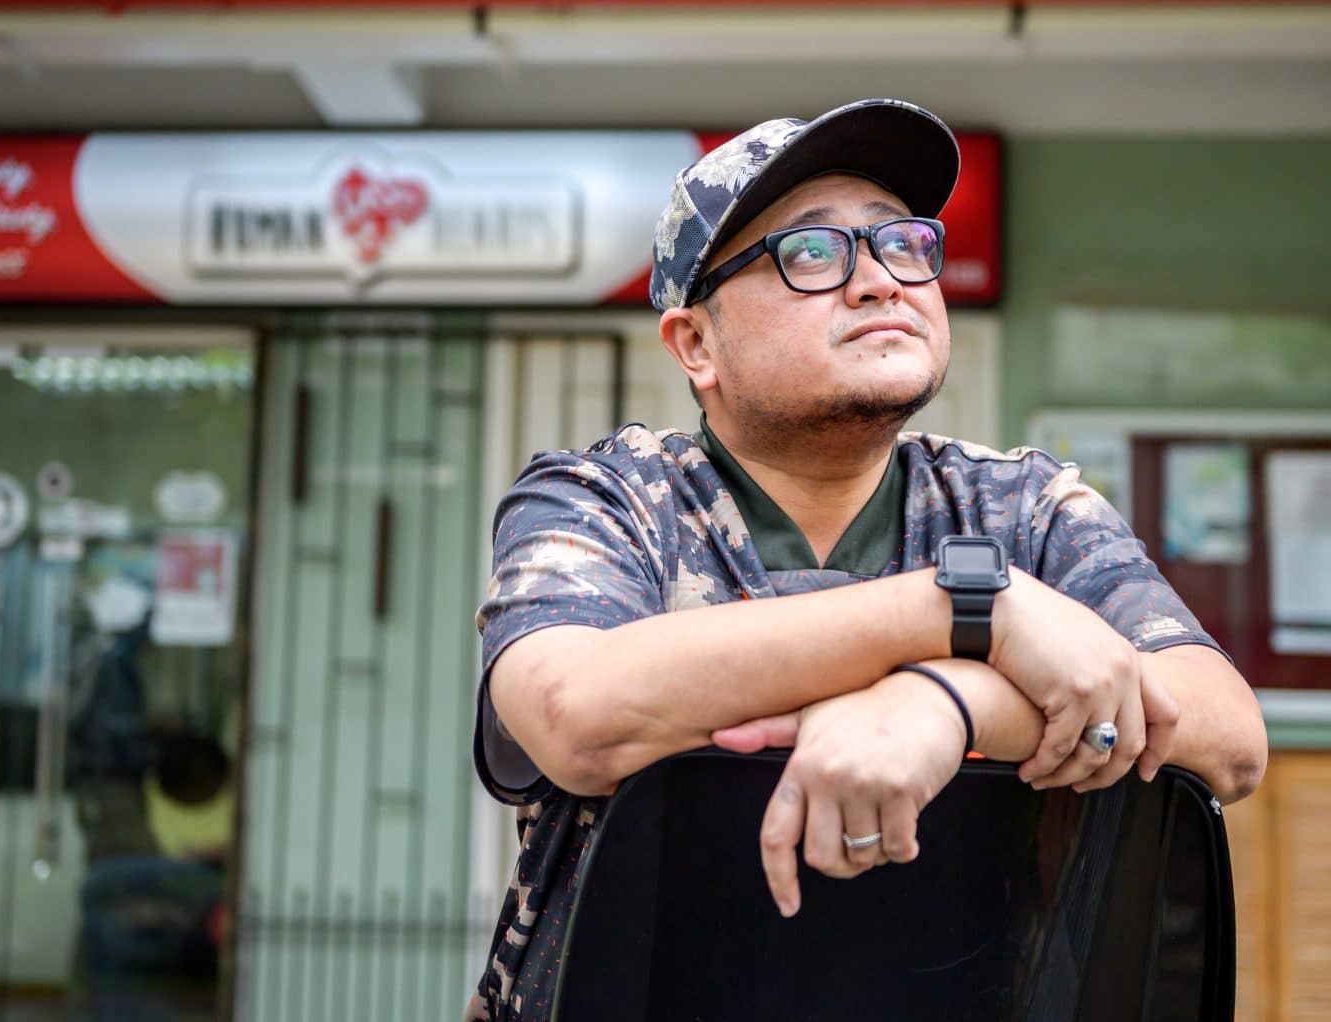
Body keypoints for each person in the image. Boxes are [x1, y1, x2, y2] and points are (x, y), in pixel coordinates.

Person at [462, 98, 1267, 1022]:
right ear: (696, 343)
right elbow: (575, 712)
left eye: (904, 245)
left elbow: (1224, 734)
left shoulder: (1024, 506)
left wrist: (940, 703)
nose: (882, 281)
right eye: (811, 254)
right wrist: (966, 615)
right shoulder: (608, 500)